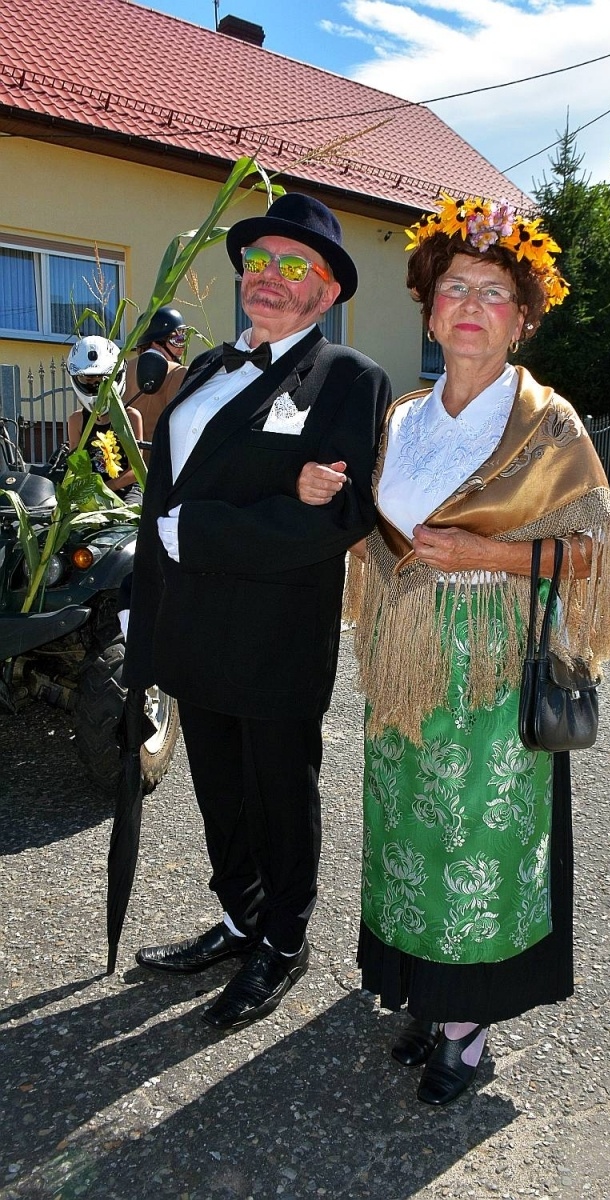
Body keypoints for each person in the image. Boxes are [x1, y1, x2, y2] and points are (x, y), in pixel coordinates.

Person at [301, 194, 610, 1105]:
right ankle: (423, 995)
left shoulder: (547, 426)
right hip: (405, 663)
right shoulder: (400, 419)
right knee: (407, 832)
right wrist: (335, 500)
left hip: (492, 660)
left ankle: (468, 1029)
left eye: (493, 291)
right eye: (453, 289)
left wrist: (489, 553)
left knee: (478, 835)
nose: (471, 305)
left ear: (521, 316)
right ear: (430, 309)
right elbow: (385, 534)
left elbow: (596, 550)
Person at [121, 193, 392, 1031]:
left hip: (276, 636)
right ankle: (240, 917)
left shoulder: (350, 379)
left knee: (280, 793)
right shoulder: (203, 371)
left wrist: (197, 532)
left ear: (328, 290)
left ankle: (284, 940)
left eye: (293, 266)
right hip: (194, 628)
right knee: (218, 791)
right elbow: (168, 494)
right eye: (259, 262)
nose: (269, 279)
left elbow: (337, 517)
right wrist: (148, 598)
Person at [66, 335, 143, 503]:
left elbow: (136, 470)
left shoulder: (131, 417)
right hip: (91, 489)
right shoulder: (76, 420)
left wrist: (106, 488)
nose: (96, 387)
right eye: (88, 380)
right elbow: (76, 466)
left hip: (127, 488)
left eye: (102, 380)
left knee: (130, 522)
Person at [122, 306, 189, 447]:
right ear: (157, 341)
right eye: (177, 338)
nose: (182, 346)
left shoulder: (122, 369)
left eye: (183, 337)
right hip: (160, 461)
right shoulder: (179, 372)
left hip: (124, 463)